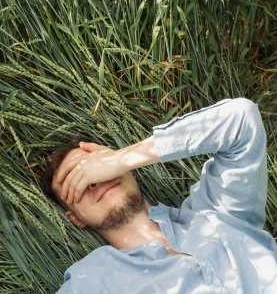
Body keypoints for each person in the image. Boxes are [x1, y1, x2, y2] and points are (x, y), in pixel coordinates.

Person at [40, 98, 277, 293]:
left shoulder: (218, 210)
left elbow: (241, 118)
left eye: (93, 167)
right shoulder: (89, 282)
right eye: (74, 183)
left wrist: (123, 158)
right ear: (75, 218)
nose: (92, 181)